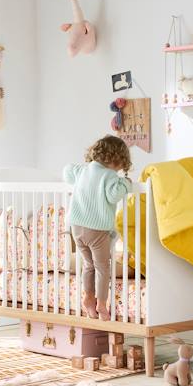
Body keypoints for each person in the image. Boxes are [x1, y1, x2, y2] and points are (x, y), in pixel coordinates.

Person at [63, 135, 132, 320]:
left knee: (88, 265)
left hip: (76, 228)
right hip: (96, 230)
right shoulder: (109, 175)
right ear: (117, 159)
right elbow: (113, 195)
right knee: (103, 267)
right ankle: (101, 304)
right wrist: (126, 183)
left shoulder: (83, 170)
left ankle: (88, 297)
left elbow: (67, 171)